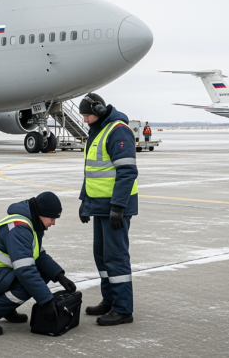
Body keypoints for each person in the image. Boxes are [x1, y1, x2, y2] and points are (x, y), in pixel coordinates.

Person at [0, 192, 77, 335]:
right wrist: (46, 300)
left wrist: (59, 275)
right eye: (52, 218)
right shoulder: (20, 229)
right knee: (29, 283)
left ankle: (4, 307)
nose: (53, 223)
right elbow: (25, 271)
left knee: (41, 275)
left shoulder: (32, 224)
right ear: (41, 214)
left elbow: (39, 256)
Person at [77, 92, 138, 326]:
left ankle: (123, 309)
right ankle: (110, 300)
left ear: (100, 112)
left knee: (116, 256)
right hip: (99, 205)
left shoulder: (118, 130)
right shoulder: (98, 131)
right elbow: (92, 172)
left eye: (87, 115)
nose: (85, 120)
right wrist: (85, 201)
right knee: (102, 255)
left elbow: (127, 172)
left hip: (115, 207)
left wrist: (118, 207)